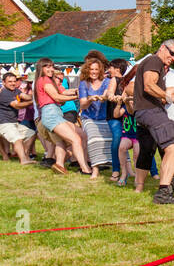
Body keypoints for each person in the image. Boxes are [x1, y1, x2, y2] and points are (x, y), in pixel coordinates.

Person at [134, 40, 174, 204]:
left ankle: (171, 178)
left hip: (154, 111)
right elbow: (148, 85)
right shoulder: (154, 60)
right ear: (162, 48)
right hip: (150, 112)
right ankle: (163, 193)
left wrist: (171, 97)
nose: (173, 58)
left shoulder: (159, 67)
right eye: (172, 53)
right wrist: (168, 96)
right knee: (172, 147)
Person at [34, 58, 92, 176]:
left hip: (56, 114)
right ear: (41, 68)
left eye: (51, 66)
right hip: (50, 115)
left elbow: (65, 92)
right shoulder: (43, 80)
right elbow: (57, 97)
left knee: (79, 135)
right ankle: (85, 169)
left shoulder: (51, 81)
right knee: (75, 139)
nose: (51, 69)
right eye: (47, 67)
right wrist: (79, 98)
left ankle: (59, 165)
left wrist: (82, 90)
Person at [78, 53, 115, 181]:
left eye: (96, 69)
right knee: (93, 138)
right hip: (89, 117)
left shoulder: (107, 82)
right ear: (87, 70)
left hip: (104, 117)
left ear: (100, 70)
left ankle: (117, 167)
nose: (93, 72)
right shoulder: (84, 84)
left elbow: (107, 94)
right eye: (91, 69)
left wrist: (104, 96)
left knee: (113, 139)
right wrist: (90, 99)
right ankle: (95, 169)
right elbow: (82, 105)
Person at [0, 71, 36, 163]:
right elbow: (17, 106)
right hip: (1, 123)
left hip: (13, 123)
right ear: (3, 82)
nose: (13, 83)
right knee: (17, 138)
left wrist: (37, 96)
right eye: (10, 81)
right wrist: (34, 102)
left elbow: (26, 97)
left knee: (31, 134)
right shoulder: (5, 93)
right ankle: (23, 160)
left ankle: (26, 156)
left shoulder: (16, 91)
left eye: (14, 81)